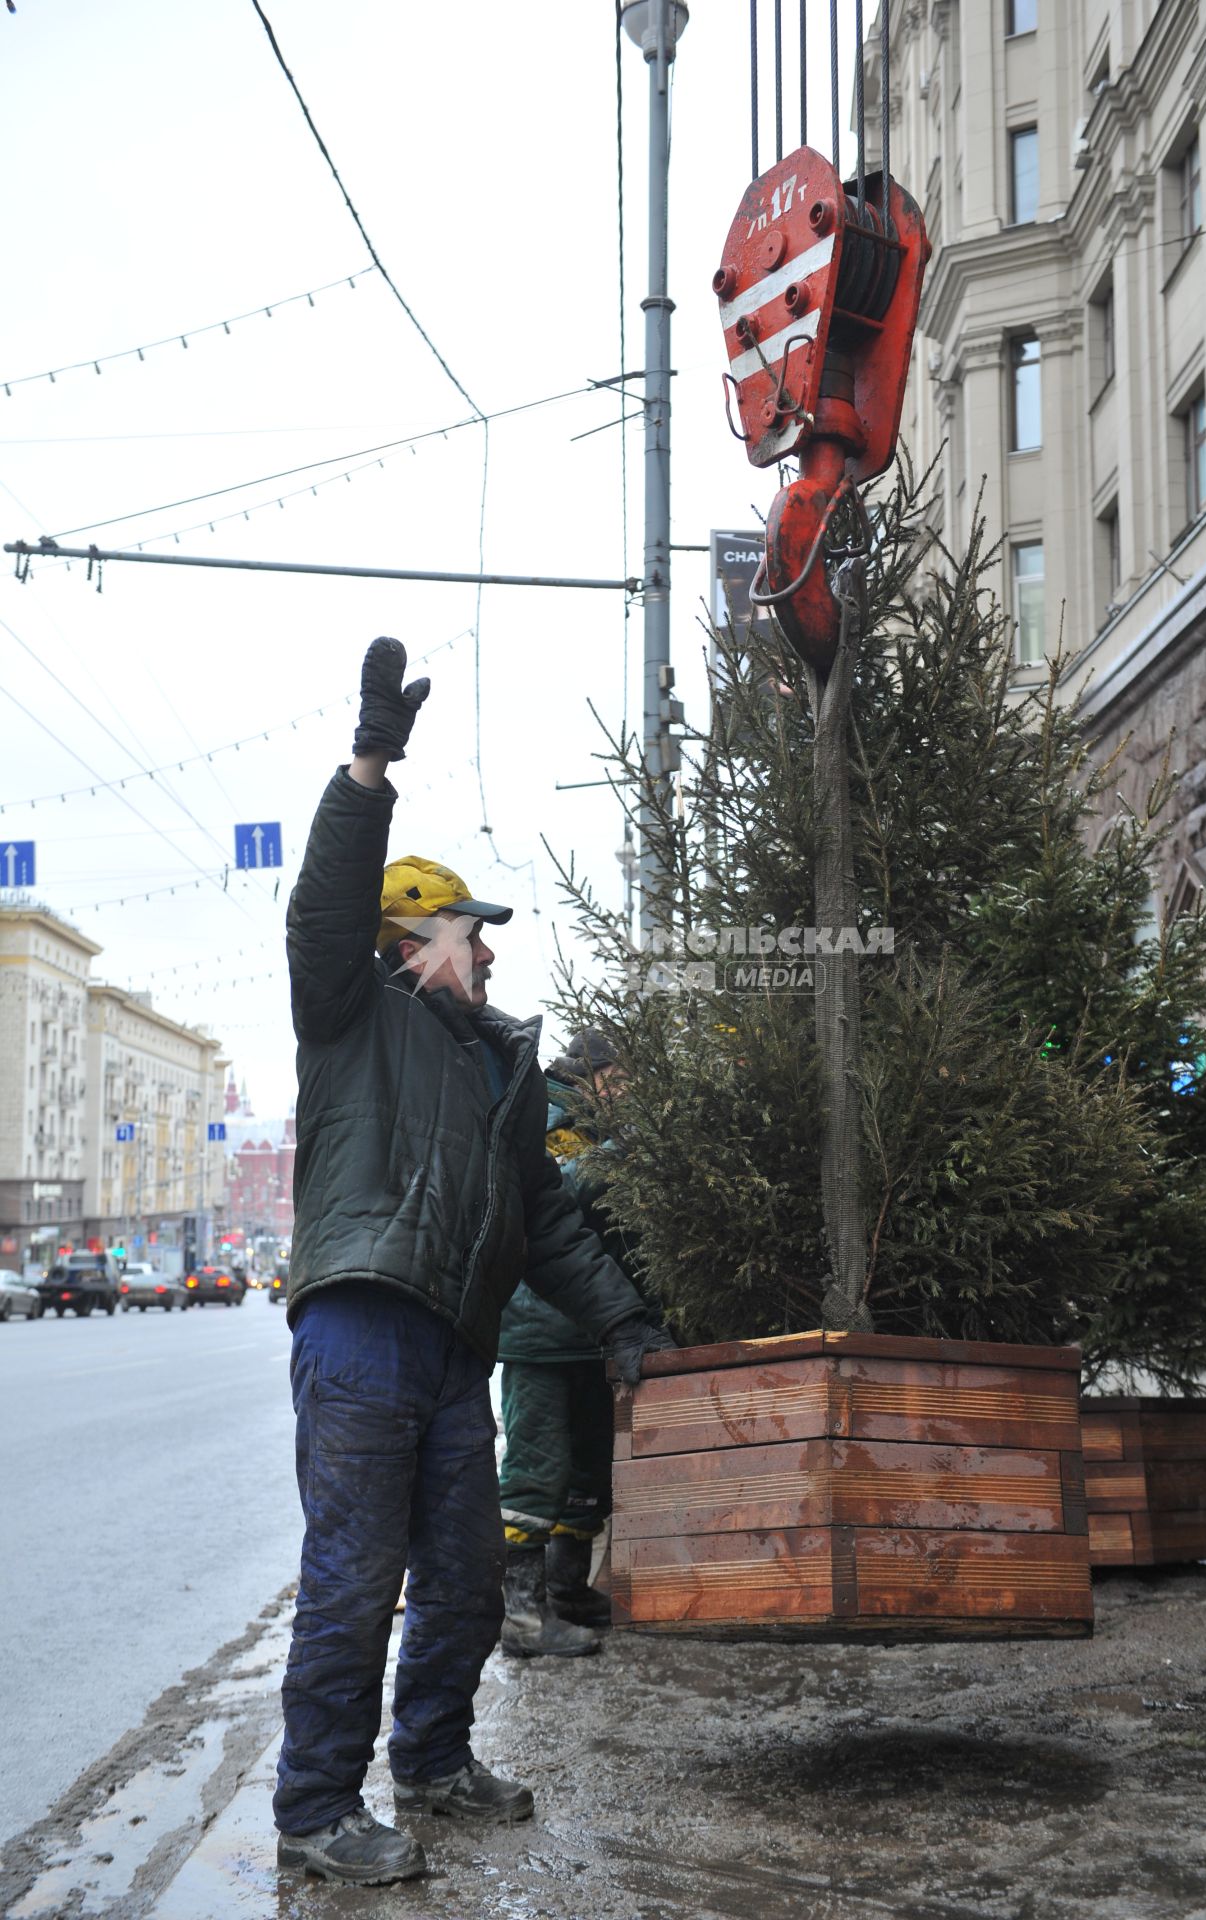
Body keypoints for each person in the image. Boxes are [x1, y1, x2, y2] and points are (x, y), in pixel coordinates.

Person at [273, 638, 673, 1889]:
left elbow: (545, 1220)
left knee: (460, 1575)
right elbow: (321, 906)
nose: (489, 951)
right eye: (469, 932)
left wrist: (623, 1325)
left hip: (454, 1345)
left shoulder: (502, 1065)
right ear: (409, 941)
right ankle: (314, 1808)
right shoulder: (351, 1012)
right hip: (358, 1324)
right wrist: (369, 768)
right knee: (355, 1575)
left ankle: (433, 1761)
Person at [497, 1030, 640, 1658]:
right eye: (624, 1080)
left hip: (586, 1334)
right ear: (598, 1075)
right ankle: (522, 1618)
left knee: (588, 1472)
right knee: (535, 1472)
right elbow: (556, 1192)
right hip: (539, 1334)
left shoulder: (594, 1118)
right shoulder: (548, 1113)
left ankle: (569, 1591)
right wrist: (619, 1149)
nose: (631, 1092)